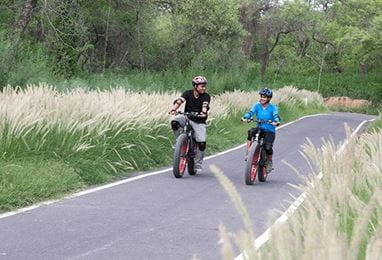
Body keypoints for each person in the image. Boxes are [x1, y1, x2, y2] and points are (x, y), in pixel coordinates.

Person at [169, 76, 211, 173]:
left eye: (204, 86)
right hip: (187, 117)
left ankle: (198, 163)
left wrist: (203, 112)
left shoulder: (206, 96)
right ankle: (179, 141)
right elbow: (180, 101)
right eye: (202, 86)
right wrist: (174, 109)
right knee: (175, 122)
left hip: (199, 120)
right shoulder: (188, 93)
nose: (204, 88)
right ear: (195, 86)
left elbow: (205, 105)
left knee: (201, 142)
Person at [241, 87, 280, 172]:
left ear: (269, 98)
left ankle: (269, 161)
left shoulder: (273, 107)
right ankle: (249, 154)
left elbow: (276, 115)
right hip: (260, 128)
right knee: (250, 132)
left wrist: (276, 121)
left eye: (264, 97)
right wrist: (245, 117)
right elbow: (251, 112)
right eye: (261, 96)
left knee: (268, 147)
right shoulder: (257, 105)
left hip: (269, 131)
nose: (262, 99)